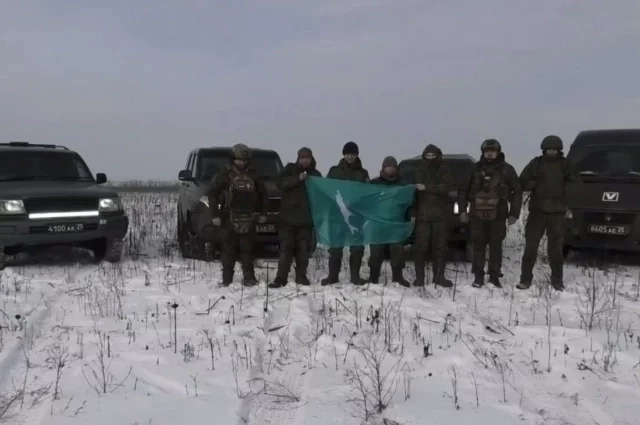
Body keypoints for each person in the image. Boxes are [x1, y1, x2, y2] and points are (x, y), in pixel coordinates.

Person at [517, 135, 579, 291]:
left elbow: (576, 184)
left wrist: (564, 195)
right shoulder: (536, 164)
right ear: (544, 149)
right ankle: (525, 279)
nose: (552, 151)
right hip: (537, 212)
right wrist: (531, 183)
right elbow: (522, 181)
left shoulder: (565, 165)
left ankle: (557, 281)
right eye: (549, 149)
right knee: (530, 247)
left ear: (559, 150)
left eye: (554, 149)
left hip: (557, 213)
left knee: (556, 250)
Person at [459, 139, 522, 288]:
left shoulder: (507, 170)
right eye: (487, 151)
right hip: (476, 213)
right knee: (478, 245)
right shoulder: (474, 168)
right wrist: (462, 211)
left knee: (496, 246)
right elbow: (463, 191)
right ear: (483, 152)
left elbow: (517, 192)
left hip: (499, 213)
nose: (490, 153)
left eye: (493, 151)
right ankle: (478, 276)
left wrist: (514, 213)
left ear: (498, 152)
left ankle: (494, 276)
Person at [207, 143, 268, 286]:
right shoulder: (225, 174)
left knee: (247, 249)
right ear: (232, 159)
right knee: (228, 249)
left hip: (248, 216)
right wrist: (215, 214)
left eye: (244, 160)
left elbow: (263, 194)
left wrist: (263, 213)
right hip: (228, 216)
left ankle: (249, 278)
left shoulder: (253, 174)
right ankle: (227, 279)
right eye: (239, 160)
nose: (242, 163)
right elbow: (212, 194)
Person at [268, 147, 322, 288]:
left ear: (311, 159)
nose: (305, 160)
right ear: (298, 158)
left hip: (306, 220)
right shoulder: (290, 169)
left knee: (303, 251)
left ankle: (301, 277)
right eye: (302, 158)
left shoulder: (316, 174)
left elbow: (321, 193)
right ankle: (281, 278)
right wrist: (297, 179)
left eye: (308, 157)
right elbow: (279, 183)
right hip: (288, 220)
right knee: (285, 250)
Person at [321, 141, 370, 286]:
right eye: (347, 154)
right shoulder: (334, 171)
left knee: (357, 247)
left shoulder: (362, 173)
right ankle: (332, 276)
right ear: (343, 154)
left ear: (357, 155)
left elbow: (366, 192)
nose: (350, 157)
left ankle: (355, 277)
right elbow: (327, 189)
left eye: (352, 154)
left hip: (355, 216)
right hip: (337, 215)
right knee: (335, 246)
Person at [411, 144, 454, 287]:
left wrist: (427, 188)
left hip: (440, 216)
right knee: (420, 248)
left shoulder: (444, 169)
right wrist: (413, 213)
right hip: (423, 216)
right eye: (427, 156)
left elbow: (446, 187)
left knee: (440, 248)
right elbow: (413, 195)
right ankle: (419, 278)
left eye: (433, 155)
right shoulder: (418, 170)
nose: (430, 158)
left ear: (438, 156)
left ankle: (439, 277)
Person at [368, 156, 410, 286]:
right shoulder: (374, 184)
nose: (391, 168)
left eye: (393, 166)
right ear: (383, 167)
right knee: (376, 253)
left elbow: (410, 202)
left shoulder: (403, 184)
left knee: (397, 252)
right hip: (378, 223)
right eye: (388, 166)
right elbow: (365, 199)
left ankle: (398, 277)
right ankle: (373, 277)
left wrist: (411, 216)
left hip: (396, 223)